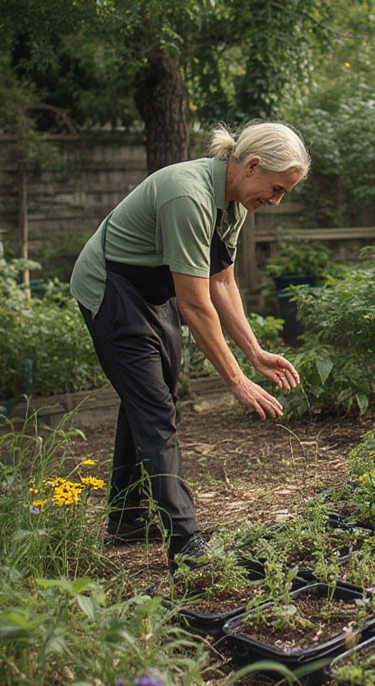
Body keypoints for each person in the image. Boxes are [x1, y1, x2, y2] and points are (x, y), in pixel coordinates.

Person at [70, 120, 310, 569]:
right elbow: (196, 306)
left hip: (152, 288)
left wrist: (253, 352)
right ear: (252, 165)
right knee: (154, 409)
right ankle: (186, 541)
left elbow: (221, 282)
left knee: (147, 397)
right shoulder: (189, 194)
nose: (276, 201)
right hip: (111, 285)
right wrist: (235, 380)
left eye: (284, 194)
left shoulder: (234, 202)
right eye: (276, 188)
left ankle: (126, 518)